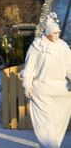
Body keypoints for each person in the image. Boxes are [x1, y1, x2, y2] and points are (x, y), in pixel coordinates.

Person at [21, 13, 71, 148]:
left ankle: (55, 145)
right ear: (47, 33)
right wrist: (28, 84)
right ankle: (49, 146)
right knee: (44, 123)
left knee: (59, 121)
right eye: (53, 33)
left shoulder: (63, 46)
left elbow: (69, 67)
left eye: (58, 32)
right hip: (42, 90)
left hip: (62, 91)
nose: (56, 35)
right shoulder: (37, 46)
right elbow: (29, 66)